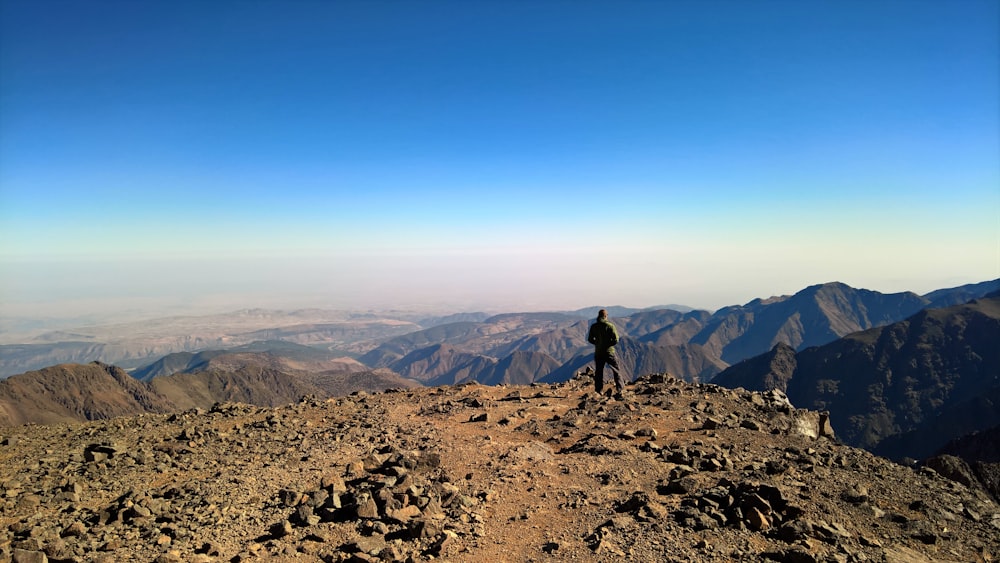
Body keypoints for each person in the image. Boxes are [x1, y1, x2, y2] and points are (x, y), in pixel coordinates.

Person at [587, 309, 625, 398]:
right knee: (616, 370)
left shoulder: (594, 326)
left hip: (598, 352)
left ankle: (598, 391)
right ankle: (620, 389)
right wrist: (608, 344)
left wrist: (598, 343)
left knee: (599, 372)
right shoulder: (610, 326)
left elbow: (590, 339)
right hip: (609, 352)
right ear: (605, 316)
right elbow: (616, 339)